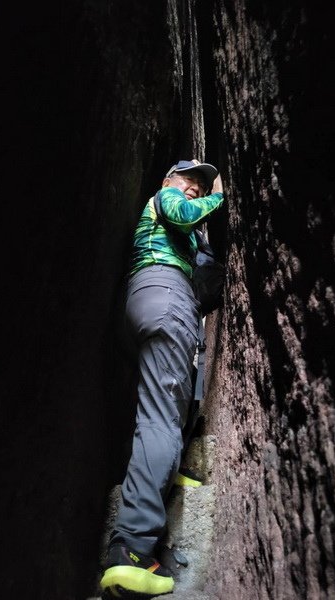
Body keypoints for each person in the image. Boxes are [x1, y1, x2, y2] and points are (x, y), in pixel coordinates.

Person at [100, 159, 224, 598]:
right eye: (189, 179)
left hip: (147, 301)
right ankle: (131, 550)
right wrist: (222, 195)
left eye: (202, 183)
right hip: (165, 294)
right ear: (169, 180)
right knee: (159, 421)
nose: (194, 187)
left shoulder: (178, 233)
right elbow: (181, 213)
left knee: (167, 405)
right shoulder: (166, 198)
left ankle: (173, 473)